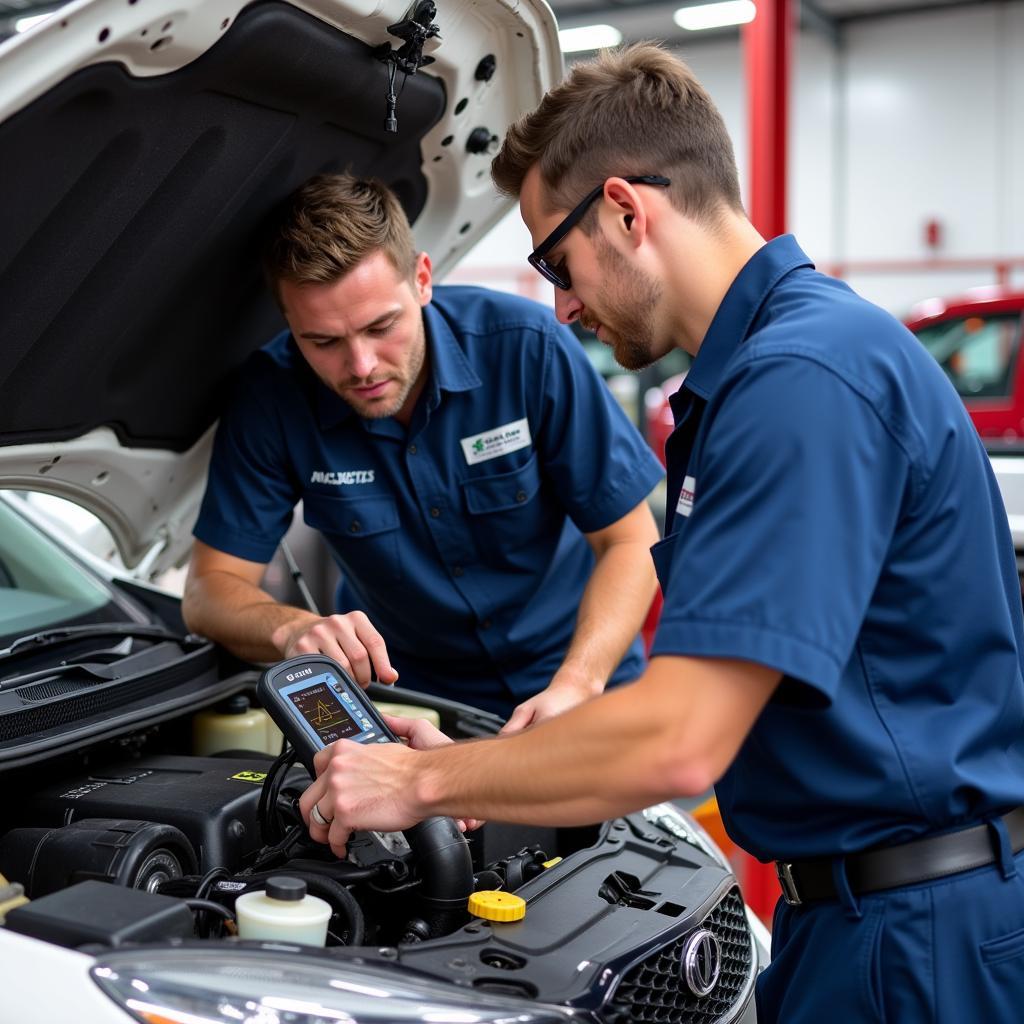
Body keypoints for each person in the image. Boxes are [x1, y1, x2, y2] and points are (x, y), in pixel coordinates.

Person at [295, 44, 1024, 1023]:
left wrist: (418, 780)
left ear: (628, 211)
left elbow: (683, 735)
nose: (559, 303)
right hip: (870, 916)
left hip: (909, 943)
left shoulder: (799, 383)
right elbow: (731, 694)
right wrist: (544, 742)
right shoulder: (783, 364)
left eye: (557, 260)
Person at [182, 173, 663, 727]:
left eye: (381, 326)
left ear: (423, 280)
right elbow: (208, 591)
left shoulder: (528, 348)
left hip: (579, 677)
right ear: (289, 322)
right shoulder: (271, 397)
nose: (361, 366)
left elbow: (629, 538)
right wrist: (289, 627)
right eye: (323, 342)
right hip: (412, 708)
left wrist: (579, 682)